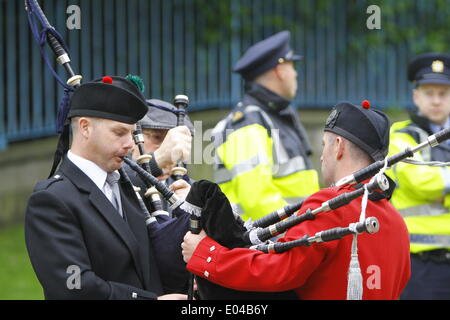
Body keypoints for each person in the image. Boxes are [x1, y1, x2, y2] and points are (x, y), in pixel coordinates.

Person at [182, 102, 411, 300]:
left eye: (324, 145)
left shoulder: (331, 204)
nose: (322, 156)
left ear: (339, 146)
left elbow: (277, 272)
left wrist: (206, 254)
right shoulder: (397, 222)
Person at [25, 75, 186, 300]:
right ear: (85, 128)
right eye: (119, 133)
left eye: (131, 133)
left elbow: (145, 266)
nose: (130, 144)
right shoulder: (52, 201)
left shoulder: (125, 185)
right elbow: (73, 285)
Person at [211, 30, 320, 221]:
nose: (295, 74)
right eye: (292, 66)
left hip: (285, 241)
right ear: (279, 70)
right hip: (272, 245)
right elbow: (257, 200)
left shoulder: (272, 117)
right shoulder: (247, 122)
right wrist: (301, 236)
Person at [385, 53, 450, 299]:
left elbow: (434, 183)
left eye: (443, 93)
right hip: (417, 264)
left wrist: (442, 188)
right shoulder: (401, 136)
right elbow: (422, 183)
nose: (436, 101)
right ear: (416, 96)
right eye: (429, 93)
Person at [126, 98, 195, 211]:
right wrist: (156, 161)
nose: (168, 146)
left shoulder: (191, 189)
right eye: (157, 137)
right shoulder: (114, 178)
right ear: (132, 137)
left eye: (174, 140)